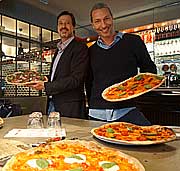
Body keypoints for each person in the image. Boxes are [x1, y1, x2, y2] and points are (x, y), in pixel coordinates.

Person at [86, 3, 157, 125]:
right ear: (92, 25)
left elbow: (150, 70)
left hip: (127, 110)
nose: (103, 25)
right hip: (97, 113)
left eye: (106, 19)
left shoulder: (133, 41)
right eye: (97, 21)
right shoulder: (90, 51)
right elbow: (88, 82)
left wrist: (135, 88)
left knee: (152, 140)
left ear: (112, 18)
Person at [30, 11, 89, 119]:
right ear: (57, 27)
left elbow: (76, 79)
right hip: (52, 104)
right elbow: (56, 77)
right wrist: (40, 80)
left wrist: (46, 86)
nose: (63, 26)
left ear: (73, 27)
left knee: (70, 136)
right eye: (60, 23)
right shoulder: (58, 50)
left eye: (67, 23)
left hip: (70, 107)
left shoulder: (80, 48)